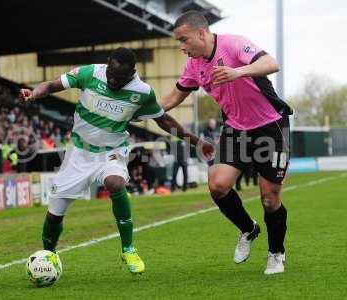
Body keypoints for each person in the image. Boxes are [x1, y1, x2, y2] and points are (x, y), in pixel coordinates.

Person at [19, 47, 214, 275]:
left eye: (119, 77)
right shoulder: (90, 73)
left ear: (132, 72)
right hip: (79, 153)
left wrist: (197, 142)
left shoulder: (142, 92)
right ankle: (48, 257)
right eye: (110, 73)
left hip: (112, 151)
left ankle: (128, 248)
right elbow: (52, 86)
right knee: (54, 214)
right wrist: (33, 94)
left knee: (115, 182)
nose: (112, 80)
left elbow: (163, 121)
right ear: (107, 63)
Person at [162, 11, 293, 275]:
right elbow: (176, 94)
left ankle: (276, 253)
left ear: (201, 33)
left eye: (184, 40)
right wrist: (142, 109)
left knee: (270, 199)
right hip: (236, 129)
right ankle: (248, 229)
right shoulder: (194, 66)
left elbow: (271, 63)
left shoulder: (233, 44)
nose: (182, 47)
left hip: (271, 127)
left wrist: (237, 72)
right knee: (218, 186)